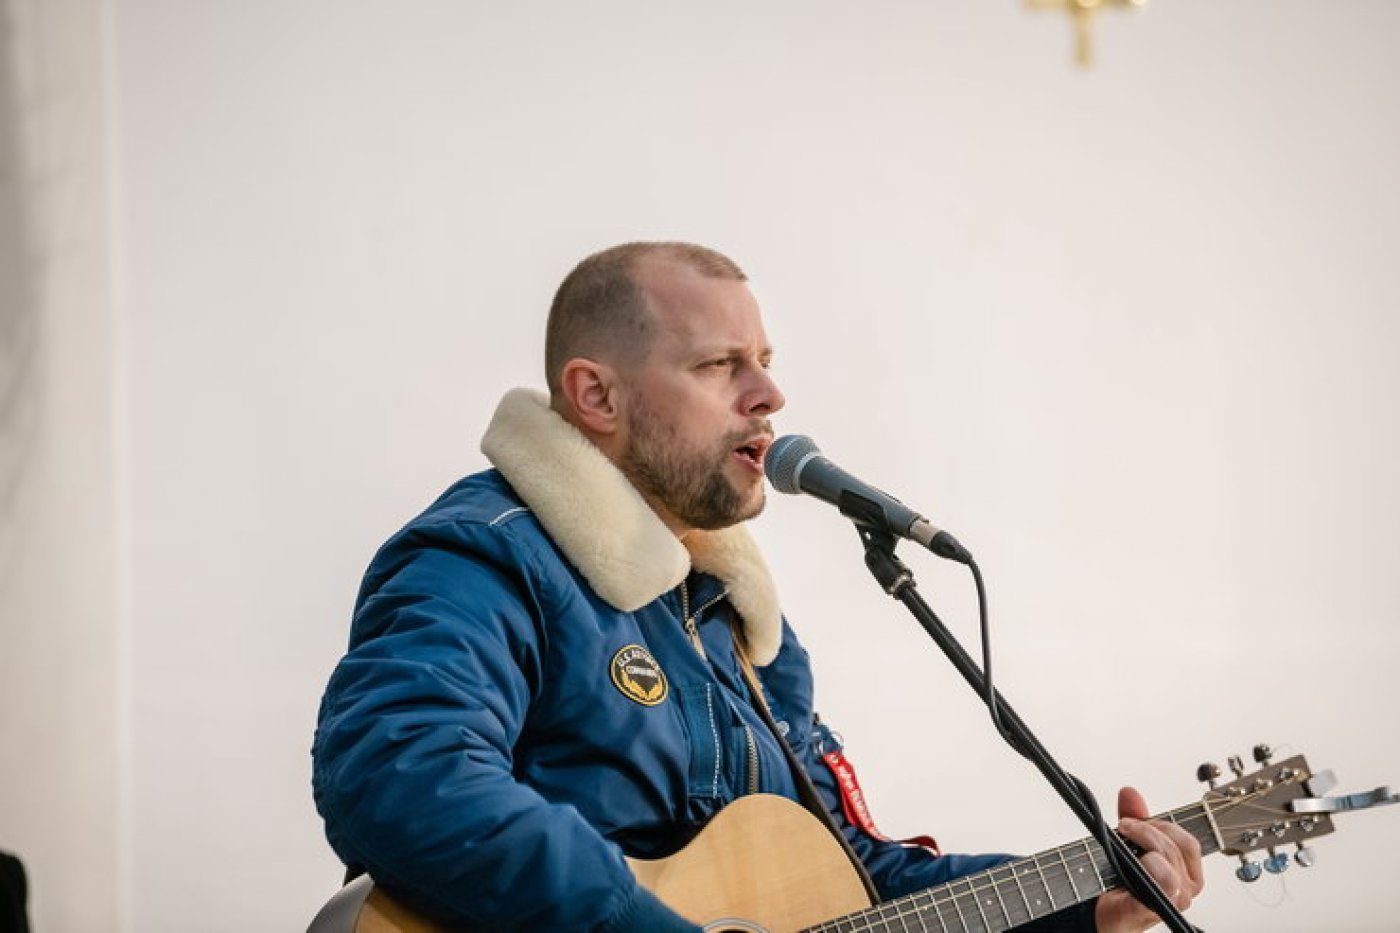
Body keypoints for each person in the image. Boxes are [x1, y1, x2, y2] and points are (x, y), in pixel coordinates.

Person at [311, 241, 1204, 931]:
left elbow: (857, 879)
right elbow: (401, 770)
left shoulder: (740, 628)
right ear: (597, 396)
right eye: (719, 364)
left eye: (766, 359)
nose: (769, 392)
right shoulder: (488, 555)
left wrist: (1085, 907)